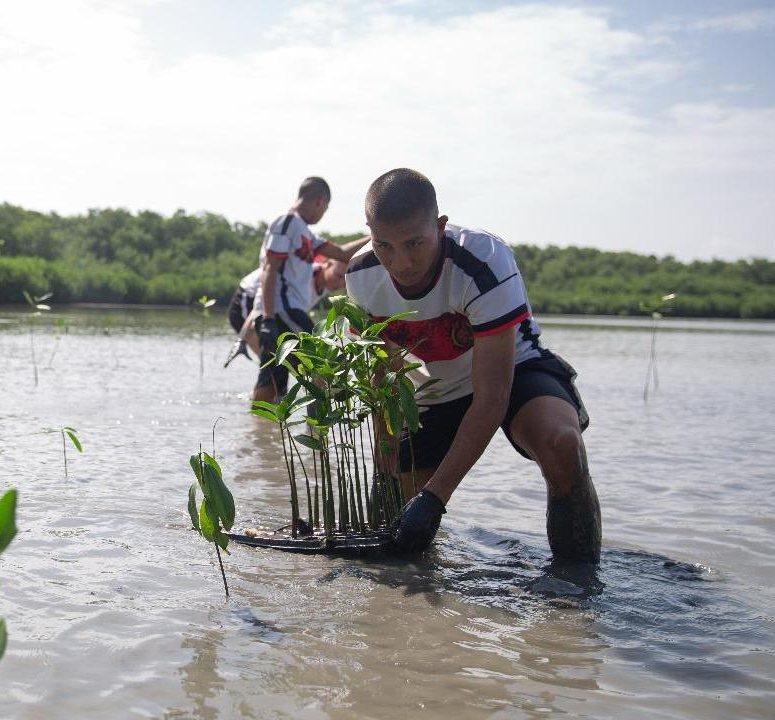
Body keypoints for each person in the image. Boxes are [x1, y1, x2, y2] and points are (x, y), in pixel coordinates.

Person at [344, 168, 600, 563]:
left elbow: (492, 397)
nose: (401, 262)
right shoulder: (362, 275)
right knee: (401, 522)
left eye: (414, 243)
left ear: (440, 226)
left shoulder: (483, 261)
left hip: (516, 371)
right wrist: (387, 453)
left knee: (561, 443)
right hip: (435, 387)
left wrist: (435, 499)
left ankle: (579, 583)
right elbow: (383, 378)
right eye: (384, 246)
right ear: (369, 233)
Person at [252, 177, 359, 402]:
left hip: (284, 311)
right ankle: (319, 427)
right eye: (326, 209)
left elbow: (340, 253)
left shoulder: (304, 232)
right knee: (321, 360)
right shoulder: (288, 222)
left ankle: (260, 431)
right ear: (320, 202)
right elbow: (270, 269)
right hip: (282, 310)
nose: (323, 214)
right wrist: (269, 319)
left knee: (273, 380)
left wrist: (376, 236)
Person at [225, 242, 364, 366]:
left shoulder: (324, 283)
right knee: (274, 364)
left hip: (270, 308)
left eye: (344, 280)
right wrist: (242, 339)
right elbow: (260, 302)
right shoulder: (303, 275)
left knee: (283, 363)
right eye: (338, 276)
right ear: (326, 265)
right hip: (246, 301)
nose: (340, 284)